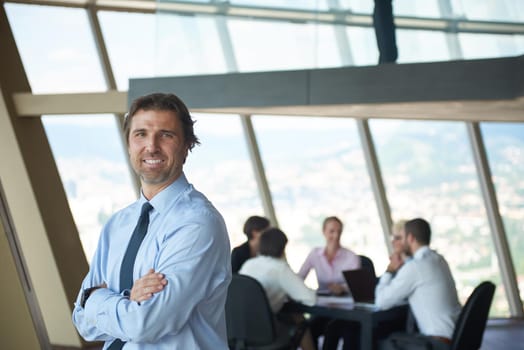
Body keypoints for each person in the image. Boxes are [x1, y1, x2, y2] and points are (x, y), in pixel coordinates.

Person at [72, 93, 231, 349]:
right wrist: (126, 299)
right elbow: (82, 322)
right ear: (128, 143)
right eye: (141, 134)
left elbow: (145, 324)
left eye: (166, 135)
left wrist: (95, 298)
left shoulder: (198, 224)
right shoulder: (117, 225)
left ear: (187, 145)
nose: (152, 146)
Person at [376, 218, 461, 349]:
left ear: (410, 238)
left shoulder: (414, 267)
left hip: (437, 343)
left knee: (379, 343)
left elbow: (381, 302)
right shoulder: (439, 259)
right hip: (455, 337)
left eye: (401, 238)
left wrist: (389, 270)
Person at [240, 227, 317, 350]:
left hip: (240, 331)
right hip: (265, 332)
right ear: (282, 247)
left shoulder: (248, 264)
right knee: (300, 321)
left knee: (294, 316)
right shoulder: (280, 269)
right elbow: (311, 299)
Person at [298, 216, 361, 349]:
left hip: (346, 310)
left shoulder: (351, 257)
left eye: (339, 231)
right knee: (307, 330)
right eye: (332, 231)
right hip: (323, 309)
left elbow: (358, 286)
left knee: (333, 331)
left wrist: (343, 288)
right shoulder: (315, 254)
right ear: (324, 232)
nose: (336, 235)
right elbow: (299, 278)